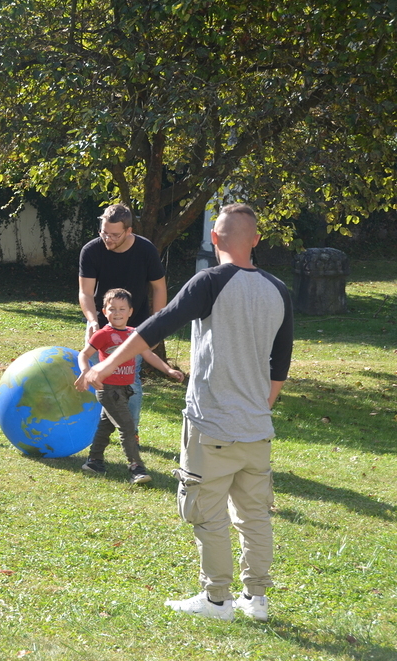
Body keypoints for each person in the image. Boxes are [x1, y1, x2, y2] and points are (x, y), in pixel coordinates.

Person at [75, 203, 293, 622]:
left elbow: (155, 326)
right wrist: (259, 408)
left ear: (214, 238)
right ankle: (256, 600)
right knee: (253, 516)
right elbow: (279, 363)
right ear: (256, 240)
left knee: (207, 513)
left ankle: (217, 601)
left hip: (211, 425)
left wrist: (103, 366)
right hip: (256, 427)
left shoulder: (210, 281)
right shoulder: (278, 289)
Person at [77, 288, 184, 484]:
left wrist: (168, 370)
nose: (117, 313)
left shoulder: (133, 334)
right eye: (112, 309)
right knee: (127, 427)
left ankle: (93, 462)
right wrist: (85, 371)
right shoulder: (102, 335)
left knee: (106, 425)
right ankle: (136, 467)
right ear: (104, 311)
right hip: (108, 390)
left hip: (126, 390)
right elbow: (83, 354)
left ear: (130, 312)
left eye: (122, 309)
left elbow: (149, 354)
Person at [78, 204, 167, 432]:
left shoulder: (146, 250)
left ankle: (130, 433)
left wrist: (157, 325)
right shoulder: (91, 250)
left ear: (128, 231)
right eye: (104, 233)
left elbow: (159, 288)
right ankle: (95, 432)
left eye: (115, 235)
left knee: (130, 380)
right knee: (96, 377)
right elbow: (85, 292)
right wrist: (92, 321)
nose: (108, 238)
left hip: (135, 328)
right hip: (102, 326)